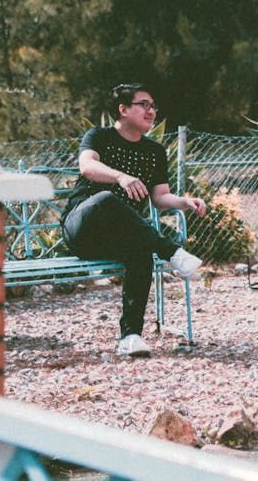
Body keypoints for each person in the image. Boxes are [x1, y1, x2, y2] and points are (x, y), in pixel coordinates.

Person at [61, 82, 207, 357]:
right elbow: (87, 166)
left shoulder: (154, 152)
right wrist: (120, 176)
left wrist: (184, 202)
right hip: (82, 228)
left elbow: (160, 196)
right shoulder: (99, 137)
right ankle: (172, 252)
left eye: (153, 106)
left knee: (140, 251)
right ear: (123, 109)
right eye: (144, 105)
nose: (151, 111)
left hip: (117, 237)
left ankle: (130, 337)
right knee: (106, 198)